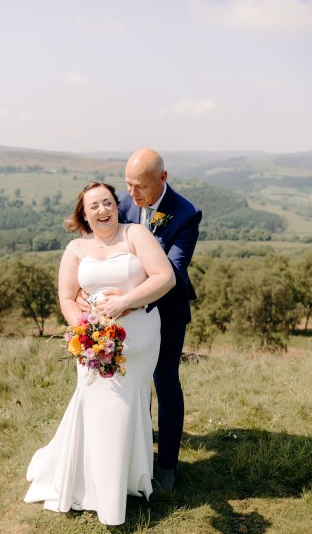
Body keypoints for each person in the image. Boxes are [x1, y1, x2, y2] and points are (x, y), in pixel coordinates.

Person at [24, 181, 175, 526]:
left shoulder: (135, 234)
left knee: (124, 406)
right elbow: (66, 297)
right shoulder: (76, 249)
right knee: (95, 405)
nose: (102, 210)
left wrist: (124, 301)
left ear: (115, 207)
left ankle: (125, 480)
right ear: (84, 215)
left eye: (107, 202)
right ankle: (97, 485)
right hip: (93, 340)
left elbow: (165, 277)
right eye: (94, 206)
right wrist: (87, 329)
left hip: (138, 334)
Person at [118, 148, 202, 494]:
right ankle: (135, 453)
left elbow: (172, 271)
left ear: (163, 178)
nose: (133, 194)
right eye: (128, 184)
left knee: (165, 381)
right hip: (126, 312)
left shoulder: (185, 213)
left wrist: (128, 297)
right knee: (133, 380)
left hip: (167, 310)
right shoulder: (121, 203)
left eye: (141, 186)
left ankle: (167, 464)